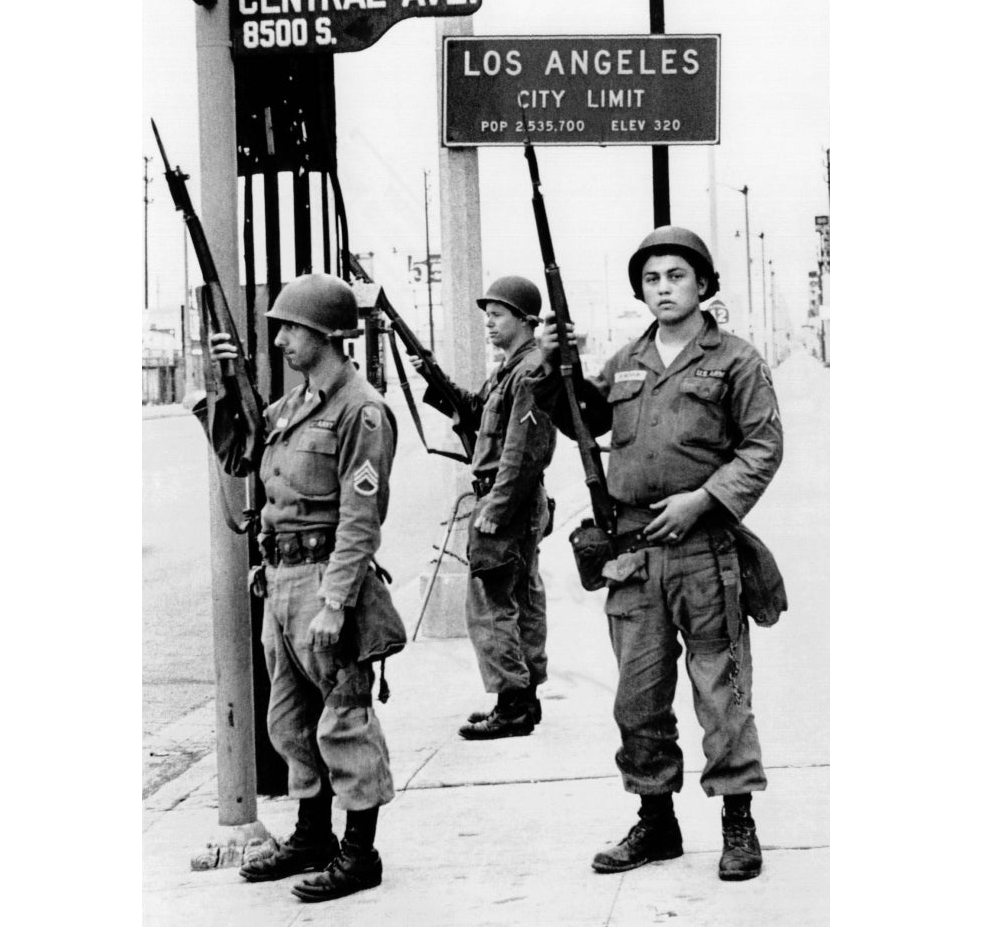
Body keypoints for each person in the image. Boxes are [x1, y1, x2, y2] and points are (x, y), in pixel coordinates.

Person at [531, 226, 783, 882]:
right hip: (634, 554)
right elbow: (584, 419)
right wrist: (556, 371)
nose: (664, 288)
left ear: (703, 284)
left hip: (702, 549)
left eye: (676, 275)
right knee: (637, 699)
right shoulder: (626, 360)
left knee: (721, 693)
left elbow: (761, 449)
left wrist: (704, 500)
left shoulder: (735, 362)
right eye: (652, 278)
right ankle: (656, 822)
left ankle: (737, 823)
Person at [209, 273, 405, 904]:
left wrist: (336, 600)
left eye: (290, 327)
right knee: (290, 721)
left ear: (323, 332)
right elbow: (243, 456)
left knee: (344, 720)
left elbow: (360, 516)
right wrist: (222, 386)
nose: (282, 338)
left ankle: (359, 853)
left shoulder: (360, 409)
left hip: (326, 581)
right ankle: (312, 835)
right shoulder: (292, 407)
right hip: (283, 579)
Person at [413, 276, 557, 739]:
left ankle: (512, 705)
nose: (489, 324)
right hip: (514, 497)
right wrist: (433, 376)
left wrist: (495, 507)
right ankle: (524, 699)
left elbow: (522, 449)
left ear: (525, 320)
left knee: (491, 602)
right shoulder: (512, 368)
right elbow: (478, 412)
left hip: (507, 496)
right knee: (522, 597)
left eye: (497, 315)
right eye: (487, 316)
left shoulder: (530, 370)